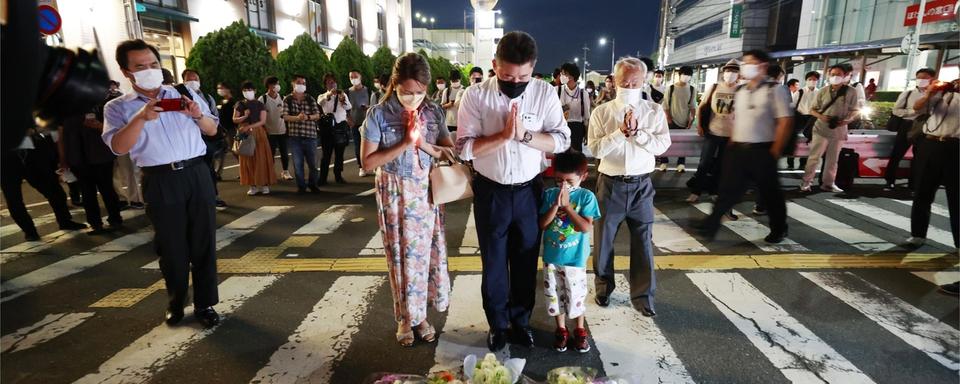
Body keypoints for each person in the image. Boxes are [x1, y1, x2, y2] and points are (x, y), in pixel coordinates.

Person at [456, 31, 571, 351]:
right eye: (507, 75)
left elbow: (562, 140)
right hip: (490, 190)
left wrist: (525, 136)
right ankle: (497, 323)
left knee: (524, 260)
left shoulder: (544, 93)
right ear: (494, 65)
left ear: (533, 68)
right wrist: (503, 136)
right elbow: (464, 148)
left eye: (523, 76)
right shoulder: (475, 95)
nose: (515, 82)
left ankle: (521, 322)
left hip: (528, 191)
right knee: (493, 262)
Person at [103, 39, 221, 327]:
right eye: (140, 66)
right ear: (126, 72)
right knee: (171, 246)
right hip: (159, 179)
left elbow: (213, 128)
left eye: (153, 64)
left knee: (203, 241)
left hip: (197, 173)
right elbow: (118, 146)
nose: (149, 70)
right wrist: (142, 118)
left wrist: (196, 115)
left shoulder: (183, 93)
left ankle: (205, 303)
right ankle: (176, 301)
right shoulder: (117, 107)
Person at [360, 52, 455, 347]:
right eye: (406, 92)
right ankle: (405, 318)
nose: (413, 98)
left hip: (425, 195)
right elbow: (367, 162)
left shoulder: (434, 112)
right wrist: (404, 143)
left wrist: (422, 143)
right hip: (394, 194)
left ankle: (422, 316)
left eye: (419, 92)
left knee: (424, 258)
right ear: (394, 84)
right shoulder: (379, 114)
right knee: (400, 258)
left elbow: (448, 152)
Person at [587, 56, 670, 316]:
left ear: (644, 80)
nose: (629, 86)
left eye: (635, 81)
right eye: (624, 81)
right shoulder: (602, 111)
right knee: (604, 241)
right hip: (610, 184)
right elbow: (595, 148)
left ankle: (643, 295)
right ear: (614, 80)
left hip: (642, 185)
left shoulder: (654, 111)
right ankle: (603, 287)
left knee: (643, 241)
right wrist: (620, 133)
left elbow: (662, 145)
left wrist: (638, 133)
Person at [695, 49, 792, 244]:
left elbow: (785, 121)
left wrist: (775, 150)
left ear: (763, 66)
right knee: (727, 189)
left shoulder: (775, 90)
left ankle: (779, 228)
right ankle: (710, 225)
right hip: (737, 149)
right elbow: (736, 118)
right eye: (744, 63)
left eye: (751, 62)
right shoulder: (741, 90)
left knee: (770, 193)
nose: (745, 67)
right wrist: (732, 140)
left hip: (763, 150)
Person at [539, 150, 600, 353]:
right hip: (552, 257)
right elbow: (543, 225)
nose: (563, 185)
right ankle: (561, 330)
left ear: (583, 177)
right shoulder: (549, 195)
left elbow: (585, 227)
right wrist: (556, 206)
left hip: (575, 259)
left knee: (576, 296)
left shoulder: (586, 197)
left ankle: (580, 330)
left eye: (569, 181)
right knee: (555, 296)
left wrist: (569, 208)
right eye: (558, 180)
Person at [2, 132, 86, 241]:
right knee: (14, 199)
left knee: (54, 190)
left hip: (30, 153)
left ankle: (65, 221)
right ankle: (29, 231)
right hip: (6, 159)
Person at [906, 78, 959, 248]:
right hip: (930, 144)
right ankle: (918, 235)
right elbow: (917, 107)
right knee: (922, 190)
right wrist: (930, 92)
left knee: (956, 196)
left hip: (955, 147)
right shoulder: (944, 90)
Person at [58, 106, 123, 235]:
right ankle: (99, 223)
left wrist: (99, 126)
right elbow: (62, 138)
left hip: (95, 156)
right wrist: (63, 160)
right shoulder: (67, 112)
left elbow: (114, 128)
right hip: (82, 158)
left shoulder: (99, 107)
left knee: (103, 189)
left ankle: (111, 220)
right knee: (91, 192)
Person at [687, 59, 739, 206]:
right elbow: (701, 106)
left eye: (734, 71)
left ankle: (714, 191)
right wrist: (699, 126)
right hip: (712, 131)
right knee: (704, 163)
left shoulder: (741, 90)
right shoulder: (715, 87)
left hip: (730, 134)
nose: (731, 74)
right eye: (728, 71)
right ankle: (695, 192)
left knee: (721, 165)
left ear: (739, 74)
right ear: (723, 73)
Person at [801, 64, 859, 193]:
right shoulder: (823, 91)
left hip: (839, 130)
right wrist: (822, 117)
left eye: (838, 75)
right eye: (833, 74)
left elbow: (855, 110)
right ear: (828, 75)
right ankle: (806, 182)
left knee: (833, 159)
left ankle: (828, 183)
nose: (835, 77)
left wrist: (847, 120)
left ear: (845, 76)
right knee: (814, 157)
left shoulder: (851, 91)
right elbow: (812, 109)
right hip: (821, 128)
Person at [182, 69, 227, 209]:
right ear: (183, 81)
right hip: (188, 142)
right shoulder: (180, 97)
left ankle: (213, 196)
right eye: (189, 79)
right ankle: (196, 199)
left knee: (208, 169)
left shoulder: (207, 98)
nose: (193, 81)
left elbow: (215, 118)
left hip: (207, 139)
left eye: (195, 78)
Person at [884, 68, 934, 191]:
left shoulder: (937, 94)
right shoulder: (908, 93)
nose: (921, 80)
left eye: (925, 78)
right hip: (907, 125)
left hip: (926, 128)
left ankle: (914, 184)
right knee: (897, 154)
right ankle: (890, 181)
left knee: (919, 158)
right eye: (919, 77)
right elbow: (896, 110)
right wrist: (912, 111)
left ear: (932, 79)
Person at [234, 81, 276, 195]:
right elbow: (235, 119)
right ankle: (252, 185)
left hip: (258, 132)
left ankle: (264, 184)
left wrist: (249, 126)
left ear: (255, 91)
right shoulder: (240, 104)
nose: (248, 92)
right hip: (245, 133)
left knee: (261, 158)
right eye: (245, 91)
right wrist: (245, 116)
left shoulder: (260, 104)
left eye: (250, 90)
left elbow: (262, 121)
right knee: (247, 159)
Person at [282, 75, 322, 194]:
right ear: (293, 84)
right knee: (298, 164)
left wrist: (307, 117)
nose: (301, 85)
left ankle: (313, 184)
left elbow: (317, 115)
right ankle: (301, 186)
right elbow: (284, 116)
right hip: (295, 137)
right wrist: (297, 118)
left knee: (313, 164)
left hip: (310, 136)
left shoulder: (310, 99)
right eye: (299, 82)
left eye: (303, 83)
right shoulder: (287, 99)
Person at [659, 65, 696, 173]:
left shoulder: (692, 89)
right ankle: (664, 162)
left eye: (689, 75)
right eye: (684, 74)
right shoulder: (671, 88)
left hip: (684, 121)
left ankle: (681, 163)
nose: (686, 77)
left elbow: (693, 106)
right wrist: (669, 117)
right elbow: (665, 105)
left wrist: (692, 119)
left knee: (683, 143)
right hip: (670, 120)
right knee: (666, 141)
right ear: (679, 75)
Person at [318, 73, 352, 184]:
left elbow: (348, 107)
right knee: (326, 154)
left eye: (333, 82)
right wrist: (329, 94)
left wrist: (343, 100)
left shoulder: (343, 94)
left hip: (340, 127)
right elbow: (321, 102)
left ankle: (338, 175)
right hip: (327, 128)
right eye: (329, 82)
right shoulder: (322, 96)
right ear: (325, 84)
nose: (332, 84)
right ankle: (323, 178)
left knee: (339, 153)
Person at [787, 71, 820, 170]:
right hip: (800, 117)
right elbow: (792, 104)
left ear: (817, 81)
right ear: (806, 80)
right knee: (794, 137)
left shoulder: (819, 92)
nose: (812, 81)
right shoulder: (800, 91)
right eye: (810, 79)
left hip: (812, 118)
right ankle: (790, 159)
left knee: (808, 139)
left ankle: (803, 161)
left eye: (814, 79)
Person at [261, 76, 293, 181]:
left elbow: (287, 113)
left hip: (282, 130)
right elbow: (259, 116)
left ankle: (285, 171)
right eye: (274, 84)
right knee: (270, 154)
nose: (277, 86)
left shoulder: (282, 98)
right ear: (269, 86)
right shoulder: (263, 99)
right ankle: (270, 172)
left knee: (284, 153)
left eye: (277, 83)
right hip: (269, 131)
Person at [558, 62, 591, 153]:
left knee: (575, 156)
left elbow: (586, 117)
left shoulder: (583, 93)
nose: (561, 76)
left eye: (564, 74)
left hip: (577, 128)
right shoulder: (557, 90)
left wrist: (587, 134)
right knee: (560, 155)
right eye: (561, 73)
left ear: (572, 77)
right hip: (560, 127)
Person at [347, 70, 373, 177]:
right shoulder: (347, 92)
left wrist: (367, 108)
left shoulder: (369, 91)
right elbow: (345, 108)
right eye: (351, 77)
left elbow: (375, 105)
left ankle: (373, 164)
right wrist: (348, 119)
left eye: (355, 76)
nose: (353, 79)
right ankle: (361, 167)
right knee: (358, 146)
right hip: (355, 123)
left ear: (360, 77)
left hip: (368, 122)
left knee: (371, 145)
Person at [215, 82, 238, 178]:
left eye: (222, 88)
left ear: (228, 89)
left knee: (235, 150)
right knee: (221, 152)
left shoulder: (233, 102)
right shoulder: (222, 101)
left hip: (231, 129)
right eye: (218, 88)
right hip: (222, 130)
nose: (220, 90)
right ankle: (218, 173)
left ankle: (246, 169)